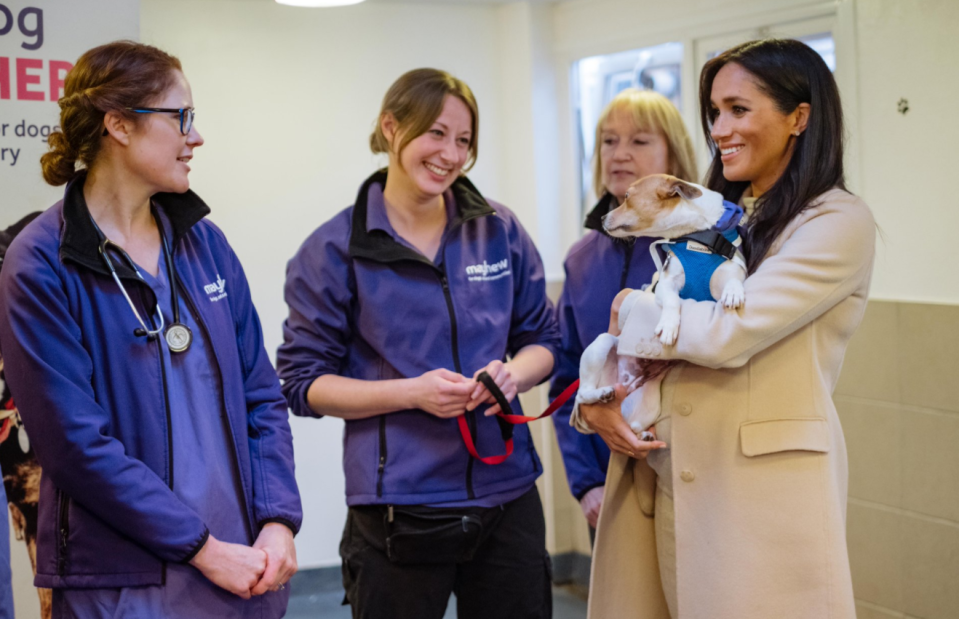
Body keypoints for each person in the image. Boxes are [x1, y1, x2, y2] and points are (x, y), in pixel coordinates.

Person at [0, 41, 302, 618]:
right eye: (181, 117)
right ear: (118, 124)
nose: (197, 137)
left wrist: (277, 521)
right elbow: (76, 448)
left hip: (243, 565)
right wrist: (203, 550)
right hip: (125, 583)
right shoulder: (40, 263)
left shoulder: (204, 244)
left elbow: (262, 397)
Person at [579, 38, 875, 619]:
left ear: (799, 117)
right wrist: (599, 402)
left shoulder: (836, 221)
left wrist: (630, 307)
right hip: (666, 483)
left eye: (738, 109)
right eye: (714, 111)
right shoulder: (719, 215)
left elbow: (725, 335)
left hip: (757, 501)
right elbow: (657, 347)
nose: (719, 128)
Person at [277, 68, 560, 619]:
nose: (450, 154)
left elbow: (543, 339)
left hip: (507, 494)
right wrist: (413, 393)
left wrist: (514, 376)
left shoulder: (499, 229)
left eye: (464, 140)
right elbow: (303, 384)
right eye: (435, 132)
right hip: (398, 509)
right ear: (390, 128)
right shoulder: (333, 249)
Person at [549, 89, 697, 532]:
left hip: (693, 475)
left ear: (673, 152)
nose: (619, 154)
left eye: (639, 141)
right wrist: (586, 483)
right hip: (612, 481)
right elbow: (567, 378)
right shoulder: (581, 258)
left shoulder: (707, 247)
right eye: (609, 141)